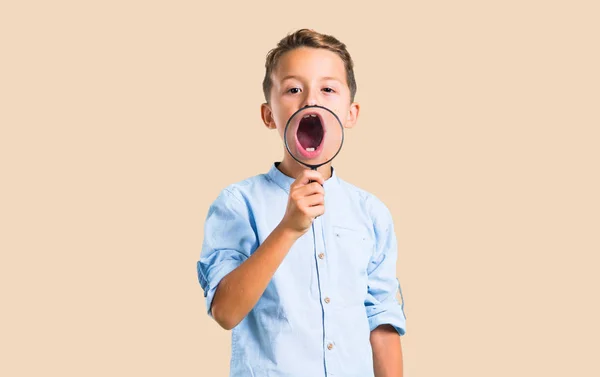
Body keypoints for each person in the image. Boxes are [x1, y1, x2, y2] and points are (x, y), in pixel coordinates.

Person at [197, 28, 407, 377]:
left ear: (351, 113)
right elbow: (226, 312)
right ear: (268, 115)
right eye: (294, 89)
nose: (311, 100)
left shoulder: (371, 212)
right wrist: (288, 229)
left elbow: (382, 318)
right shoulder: (237, 204)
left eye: (328, 89)